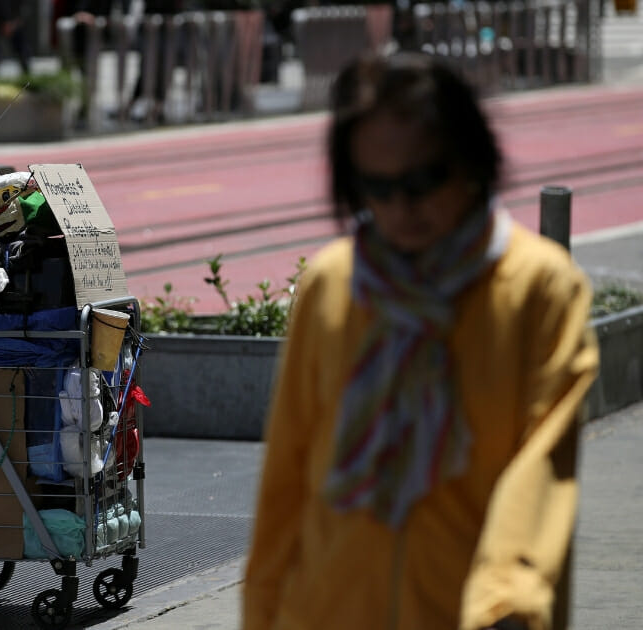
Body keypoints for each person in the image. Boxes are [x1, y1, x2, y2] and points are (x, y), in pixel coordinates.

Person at [242, 53, 598, 630]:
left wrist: (505, 601)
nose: (400, 207)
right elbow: (287, 476)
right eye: (375, 187)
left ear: (470, 160)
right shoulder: (333, 285)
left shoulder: (540, 288)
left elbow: (540, 470)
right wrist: (261, 612)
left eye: (423, 180)